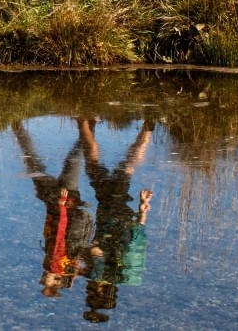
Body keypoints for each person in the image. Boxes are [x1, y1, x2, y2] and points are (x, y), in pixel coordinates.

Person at [78, 117, 154, 323]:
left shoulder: (121, 275)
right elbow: (97, 249)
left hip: (124, 217)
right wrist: (82, 257)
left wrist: (142, 210)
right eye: (90, 296)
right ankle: (83, 119)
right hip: (109, 212)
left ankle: (148, 128)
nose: (88, 292)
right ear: (98, 291)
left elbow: (137, 239)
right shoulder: (97, 274)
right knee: (101, 167)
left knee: (124, 169)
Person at [12, 121, 96, 299]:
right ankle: (17, 127)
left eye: (44, 280)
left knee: (74, 159)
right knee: (35, 164)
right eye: (47, 280)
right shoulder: (55, 264)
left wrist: (72, 275)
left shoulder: (65, 266)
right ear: (55, 279)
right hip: (59, 203)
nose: (44, 277)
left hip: (67, 202)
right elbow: (59, 234)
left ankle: (89, 124)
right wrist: (62, 205)